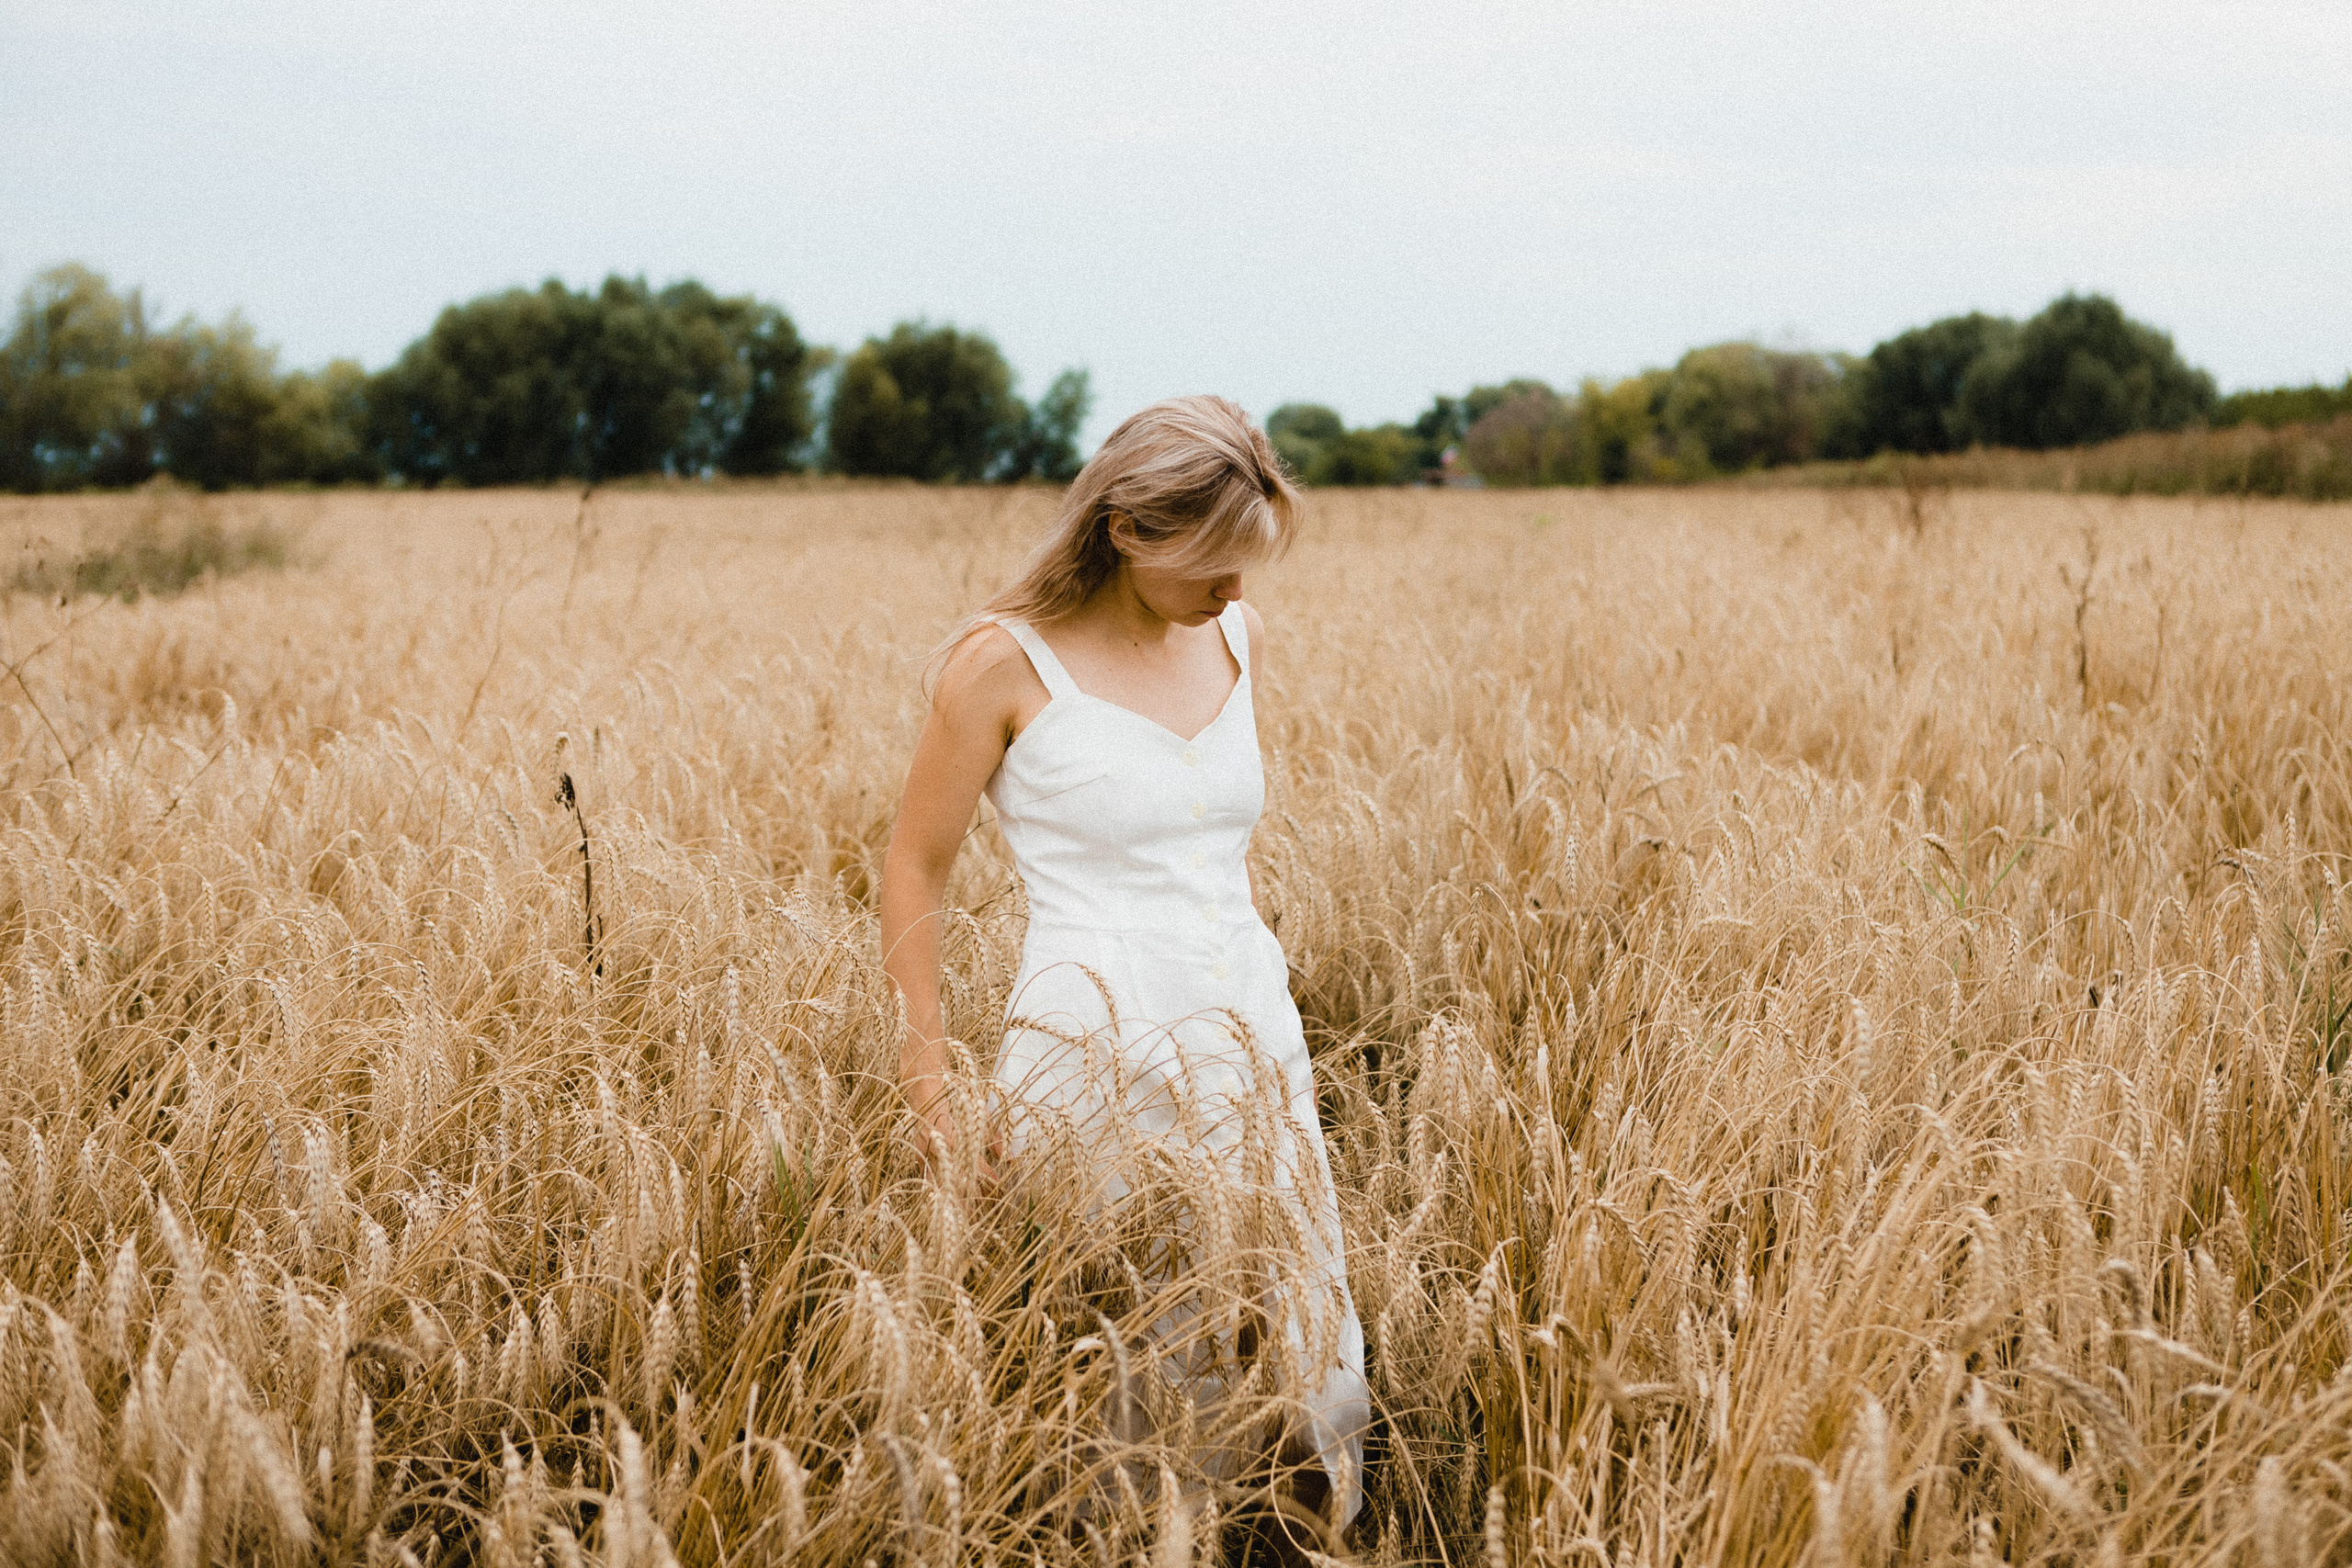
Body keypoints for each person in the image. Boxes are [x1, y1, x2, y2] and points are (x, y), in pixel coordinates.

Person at [877, 395, 1371, 1552]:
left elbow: (1210, 836)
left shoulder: (1233, 638)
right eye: (1213, 567)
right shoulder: (1000, 665)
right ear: (1128, 531)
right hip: (1089, 1039)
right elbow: (912, 863)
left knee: (1295, 1316)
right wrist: (928, 1071)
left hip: (1249, 1025)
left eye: (1248, 571)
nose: (1236, 596)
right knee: (1120, 1339)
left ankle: (1301, 1536)